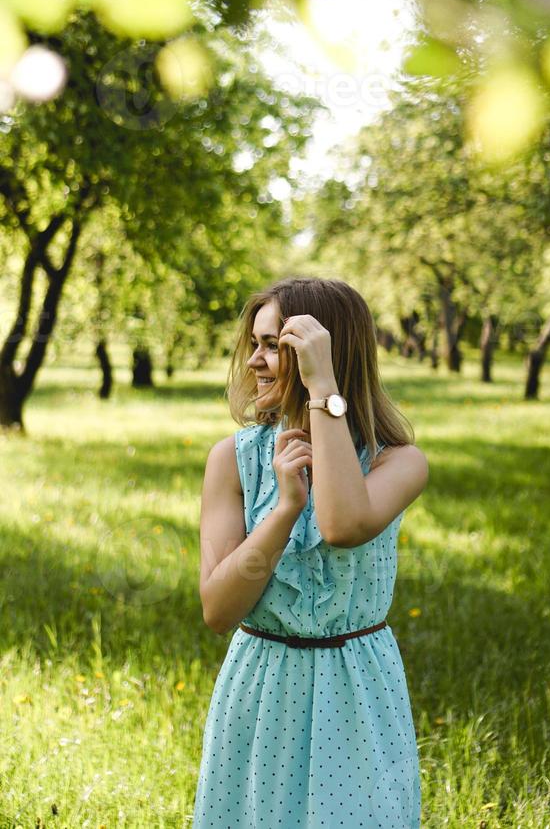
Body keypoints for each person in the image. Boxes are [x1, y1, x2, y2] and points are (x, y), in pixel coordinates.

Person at [192, 276, 428, 828]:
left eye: (274, 345)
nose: (254, 360)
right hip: (263, 683)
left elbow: (345, 524)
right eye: (255, 343)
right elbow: (217, 610)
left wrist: (323, 388)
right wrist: (283, 511)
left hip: (357, 688)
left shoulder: (399, 462)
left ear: (323, 353)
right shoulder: (232, 460)